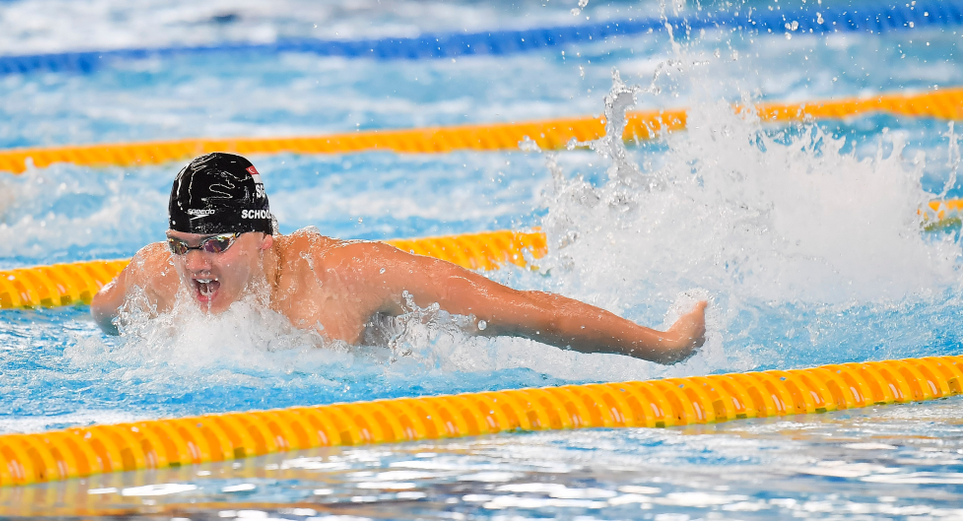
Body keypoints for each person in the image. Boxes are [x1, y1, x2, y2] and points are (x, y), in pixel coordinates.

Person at [91, 153, 707, 364]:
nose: (198, 265)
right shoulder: (154, 276)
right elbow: (104, 315)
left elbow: (521, 312)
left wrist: (662, 343)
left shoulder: (346, 279)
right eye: (184, 245)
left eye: (217, 244)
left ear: (263, 238)